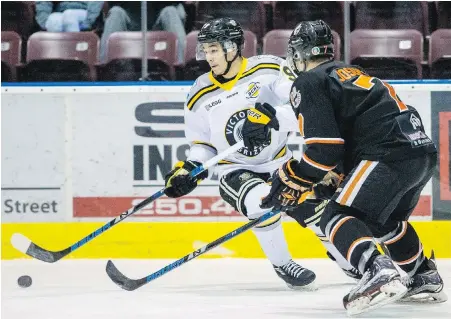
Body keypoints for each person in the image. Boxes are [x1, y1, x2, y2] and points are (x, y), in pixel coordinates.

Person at [241, 20, 446, 315]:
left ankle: (378, 272)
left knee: (336, 214)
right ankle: (423, 276)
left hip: (386, 153)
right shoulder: (350, 73)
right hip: (418, 151)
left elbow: (324, 148)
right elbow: (351, 137)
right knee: (382, 222)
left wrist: (294, 179)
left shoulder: (308, 82)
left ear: (299, 53)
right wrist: (333, 176)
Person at [163, 17, 357, 290]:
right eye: (205, 50)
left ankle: (354, 264)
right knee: (260, 202)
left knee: (320, 214)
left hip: (280, 164)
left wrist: (271, 118)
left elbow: (302, 105)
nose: (208, 56)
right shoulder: (198, 92)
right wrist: (190, 168)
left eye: (214, 49)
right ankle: (283, 263)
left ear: (233, 48)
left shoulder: (268, 69)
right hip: (235, 170)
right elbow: (203, 144)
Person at [100, 2, 186, 63]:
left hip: (158, 20)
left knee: (170, 11)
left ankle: (181, 66)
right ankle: (103, 66)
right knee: (116, 12)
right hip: (129, 19)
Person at [35, 1, 103, 32]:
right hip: (61, 13)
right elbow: (43, 3)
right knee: (53, 19)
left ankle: (77, 54)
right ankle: (58, 58)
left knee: (69, 15)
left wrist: (88, 24)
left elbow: (96, 4)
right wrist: (45, 21)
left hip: (86, 13)